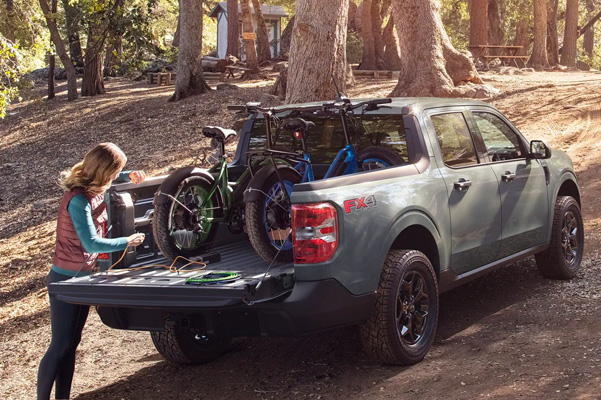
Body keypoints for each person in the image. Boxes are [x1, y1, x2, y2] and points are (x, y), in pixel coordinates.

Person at [37, 143, 147, 400]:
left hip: (81, 278)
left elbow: (116, 177)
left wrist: (129, 175)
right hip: (64, 280)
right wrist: (127, 241)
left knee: (70, 346)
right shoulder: (78, 201)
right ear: (102, 172)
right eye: (114, 172)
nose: (114, 177)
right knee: (59, 345)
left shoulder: (93, 187)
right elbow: (91, 243)